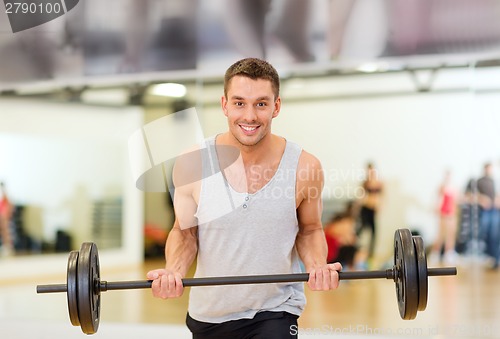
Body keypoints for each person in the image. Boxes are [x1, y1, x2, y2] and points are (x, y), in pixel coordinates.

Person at [147, 58, 341, 338]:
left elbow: (310, 229)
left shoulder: (304, 167)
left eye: (261, 104)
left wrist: (317, 267)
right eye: (239, 103)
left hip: (276, 309)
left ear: (276, 106)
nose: (249, 116)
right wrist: (173, 271)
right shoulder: (193, 163)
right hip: (209, 315)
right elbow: (185, 232)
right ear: (224, 104)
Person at [429, 170, 458, 265]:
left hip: (451, 213)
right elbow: (438, 200)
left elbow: (455, 201)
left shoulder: (454, 188)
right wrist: (437, 209)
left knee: (451, 234)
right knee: (441, 234)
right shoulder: (442, 187)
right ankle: (435, 253)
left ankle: (448, 253)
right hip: (443, 213)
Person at [358, 162, 383, 260]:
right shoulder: (365, 182)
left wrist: (379, 206)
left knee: (373, 232)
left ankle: (370, 254)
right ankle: (359, 249)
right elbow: (362, 196)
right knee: (362, 229)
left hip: (373, 209)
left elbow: (381, 196)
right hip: (365, 208)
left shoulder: (379, 183)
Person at [0, 182, 14, 256]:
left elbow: (10, 205)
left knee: (6, 232)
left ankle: (8, 247)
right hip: (2, 215)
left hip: (4, 215)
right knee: (3, 232)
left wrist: (7, 214)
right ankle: (6, 247)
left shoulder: (5, 195)